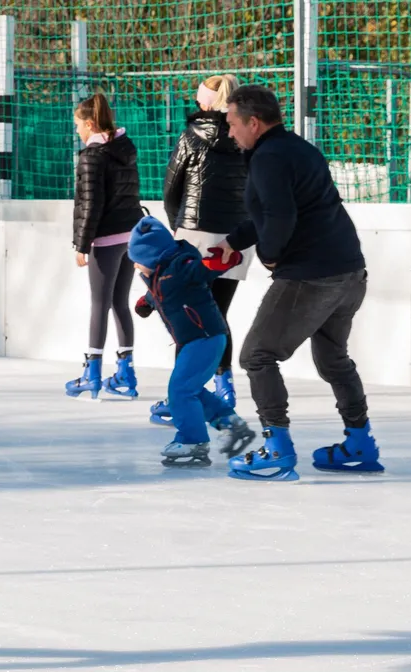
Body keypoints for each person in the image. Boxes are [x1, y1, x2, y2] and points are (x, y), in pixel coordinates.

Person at [211, 85, 383, 481]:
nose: (230, 133)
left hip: (311, 275)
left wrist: (270, 253)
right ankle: (360, 441)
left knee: (257, 355)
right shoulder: (297, 148)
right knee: (333, 359)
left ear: (254, 123)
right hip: (349, 271)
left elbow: (280, 216)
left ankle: (277, 447)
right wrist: (233, 242)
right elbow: (279, 211)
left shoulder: (268, 158)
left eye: (233, 124)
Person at [151, 74, 254, 425]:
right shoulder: (247, 138)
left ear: (206, 102)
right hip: (237, 237)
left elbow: (171, 189)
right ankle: (225, 387)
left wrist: (177, 228)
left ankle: (181, 394)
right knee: (218, 314)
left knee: (189, 318)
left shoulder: (191, 136)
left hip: (195, 233)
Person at [127, 216, 255, 467]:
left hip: (205, 337)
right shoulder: (157, 274)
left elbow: (205, 268)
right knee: (191, 389)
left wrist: (225, 259)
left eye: (138, 261)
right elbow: (160, 292)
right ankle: (232, 427)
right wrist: (146, 302)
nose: (135, 267)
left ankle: (192, 442)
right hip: (195, 339)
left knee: (180, 390)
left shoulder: (183, 266)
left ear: (153, 256)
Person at [64, 93, 144, 400]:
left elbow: (89, 204)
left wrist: (82, 244)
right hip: (130, 234)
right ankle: (126, 373)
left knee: (100, 303)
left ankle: (92, 372)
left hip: (107, 239)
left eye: (77, 125)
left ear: (89, 123)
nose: (77, 131)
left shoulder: (92, 156)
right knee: (120, 302)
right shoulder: (125, 148)